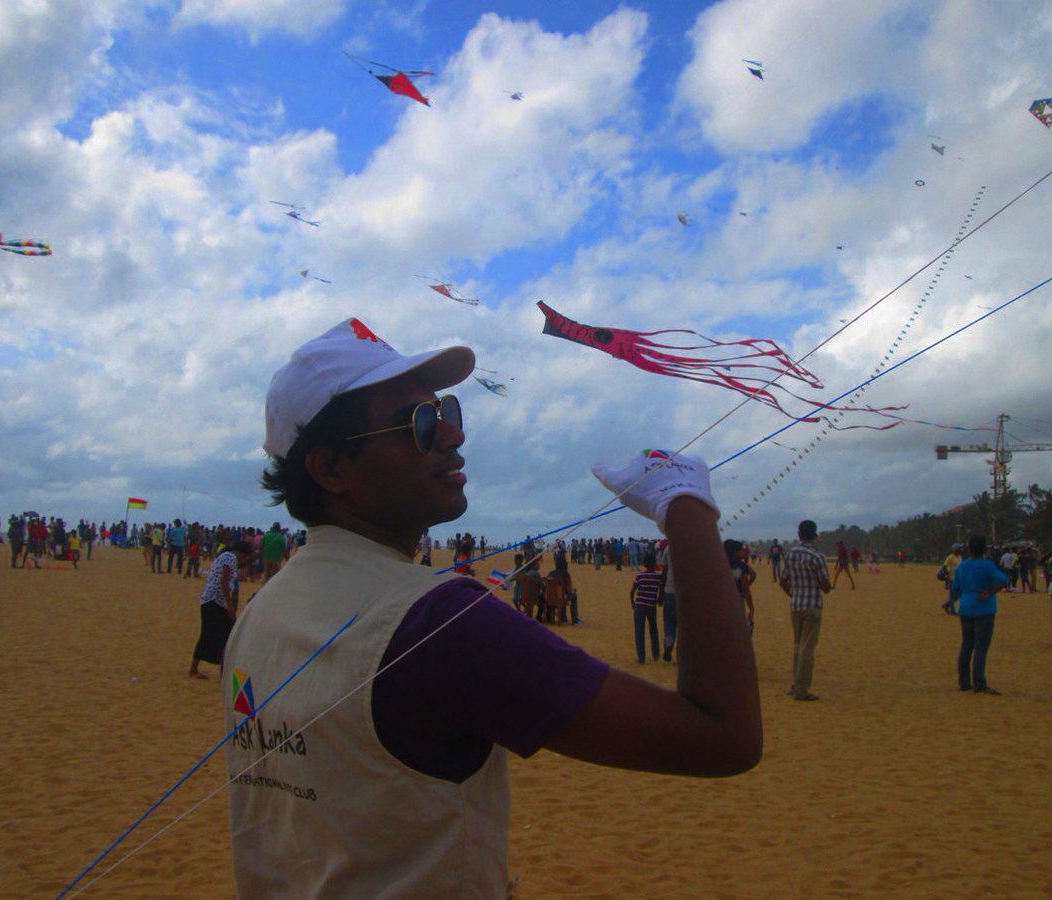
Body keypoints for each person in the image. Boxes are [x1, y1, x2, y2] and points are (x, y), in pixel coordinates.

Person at [223, 318, 761, 898]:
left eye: (447, 412)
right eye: (419, 423)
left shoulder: (261, 611)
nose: (453, 435)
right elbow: (723, 736)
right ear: (331, 469)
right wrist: (686, 507)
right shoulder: (437, 622)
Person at [942, 535, 1009, 694]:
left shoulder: (962, 566)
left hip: (965, 608)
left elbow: (955, 589)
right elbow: (1003, 580)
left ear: (969, 549)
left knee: (967, 645)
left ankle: (964, 682)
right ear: (984, 549)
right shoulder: (987, 565)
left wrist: (953, 601)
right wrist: (990, 592)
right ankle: (979, 683)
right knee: (981, 647)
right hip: (984, 609)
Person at [779, 520, 831, 702]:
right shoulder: (817, 556)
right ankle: (802, 690)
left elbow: (783, 581)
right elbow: (826, 587)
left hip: (796, 605)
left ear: (799, 535)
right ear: (815, 535)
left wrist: (793, 594)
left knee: (797, 646)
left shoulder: (790, 554)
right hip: (812, 605)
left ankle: (796, 684)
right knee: (807, 649)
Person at [190, 540, 251, 679]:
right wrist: (230, 606)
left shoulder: (227, 556)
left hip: (213, 601)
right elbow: (224, 581)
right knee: (218, 635)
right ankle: (199, 670)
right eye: (245, 557)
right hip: (214, 602)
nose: (244, 560)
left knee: (218, 635)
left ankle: (219, 671)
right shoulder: (230, 558)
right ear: (241, 553)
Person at [629, 551, 663, 663]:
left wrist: (632, 602)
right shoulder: (658, 577)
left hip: (640, 605)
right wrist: (659, 600)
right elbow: (661, 590)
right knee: (653, 629)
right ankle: (656, 654)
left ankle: (641, 657)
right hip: (651, 605)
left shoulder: (640, 576)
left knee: (639, 631)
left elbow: (632, 591)